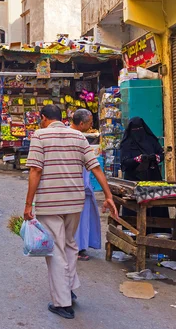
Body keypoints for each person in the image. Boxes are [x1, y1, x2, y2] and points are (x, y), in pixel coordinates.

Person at [24, 105, 118, 320]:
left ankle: (62, 302)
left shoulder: (40, 135)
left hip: (50, 202)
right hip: (75, 202)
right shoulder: (78, 137)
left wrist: (28, 203)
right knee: (70, 245)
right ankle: (69, 288)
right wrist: (109, 195)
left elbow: (36, 170)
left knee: (55, 250)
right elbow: (95, 167)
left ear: (44, 118)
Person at [120, 117, 168, 233]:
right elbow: (125, 162)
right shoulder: (126, 144)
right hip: (134, 180)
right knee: (134, 208)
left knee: (156, 206)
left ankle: (158, 233)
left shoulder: (151, 140)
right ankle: (134, 233)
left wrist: (155, 158)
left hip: (153, 178)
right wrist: (137, 159)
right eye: (135, 129)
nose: (138, 132)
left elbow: (160, 154)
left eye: (140, 129)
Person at [70, 109, 101, 261]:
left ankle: (77, 247)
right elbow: (94, 167)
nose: (91, 125)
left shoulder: (76, 137)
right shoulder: (79, 140)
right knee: (78, 220)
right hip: (80, 186)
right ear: (81, 123)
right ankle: (76, 248)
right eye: (89, 123)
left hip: (78, 186)